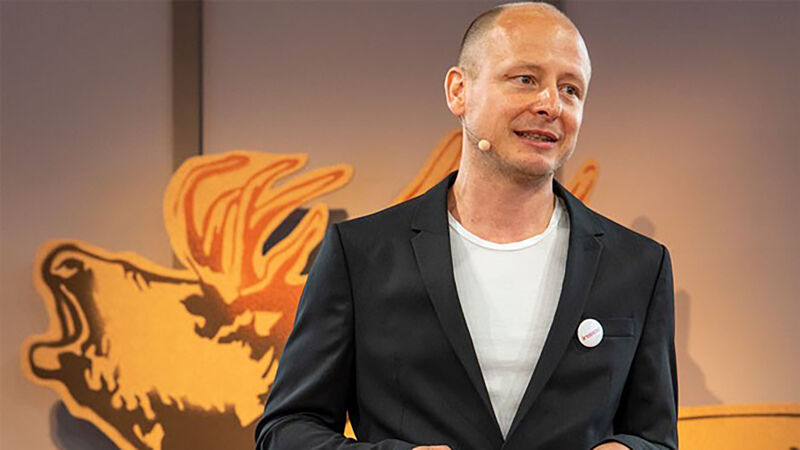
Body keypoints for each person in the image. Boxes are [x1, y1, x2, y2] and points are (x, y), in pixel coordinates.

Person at [255, 2, 678, 449]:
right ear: (459, 91)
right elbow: (286, 430)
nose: (551, 105)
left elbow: (655, 438)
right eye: (525, 79)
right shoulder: (360, 255)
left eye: (571, 89)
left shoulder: (638, 266)